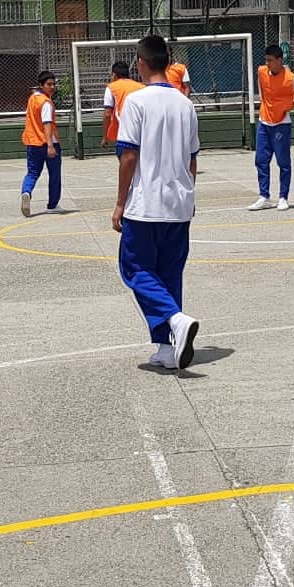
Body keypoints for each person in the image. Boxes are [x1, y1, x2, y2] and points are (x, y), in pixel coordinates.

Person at [113, 34, 200, 371]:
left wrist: (119, 203)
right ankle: (167, 347)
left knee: (135, 269)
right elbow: (192, 159)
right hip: (179, 204)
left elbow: (129, 156)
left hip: (146, 204)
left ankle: (175, 319)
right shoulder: (185, 104)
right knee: (169, 273)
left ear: (141, 63)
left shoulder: (136, 102)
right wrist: (189, 193)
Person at [250, 43, 294, 212]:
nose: (267, 63)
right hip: (264, 121)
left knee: (283, 162)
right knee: (261, 160)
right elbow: (263, 90)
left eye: (270, 60)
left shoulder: (291, 78)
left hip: (281, 124)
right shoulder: (261, 71)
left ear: (279, 60)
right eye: (266, 60)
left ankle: (283, 197)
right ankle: (264, 196)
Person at [20, 70, 61, 217]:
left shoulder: (32, 99)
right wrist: (50, 145)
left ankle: (26, 192)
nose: (52, 87)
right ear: (41, 85)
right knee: (54, 175)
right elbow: (47, 123)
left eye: (53, 84)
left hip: (32, 143)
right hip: (47, 143)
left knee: (32, 173)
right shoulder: (46, 103)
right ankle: (53, 205)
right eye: (49, 84)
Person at [103, 61, 142, 149]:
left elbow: (107, 114)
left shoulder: (111, 87)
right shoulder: (141, 86)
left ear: (114, 75)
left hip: (124, 134)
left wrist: (105, 137)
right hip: (141, 133)